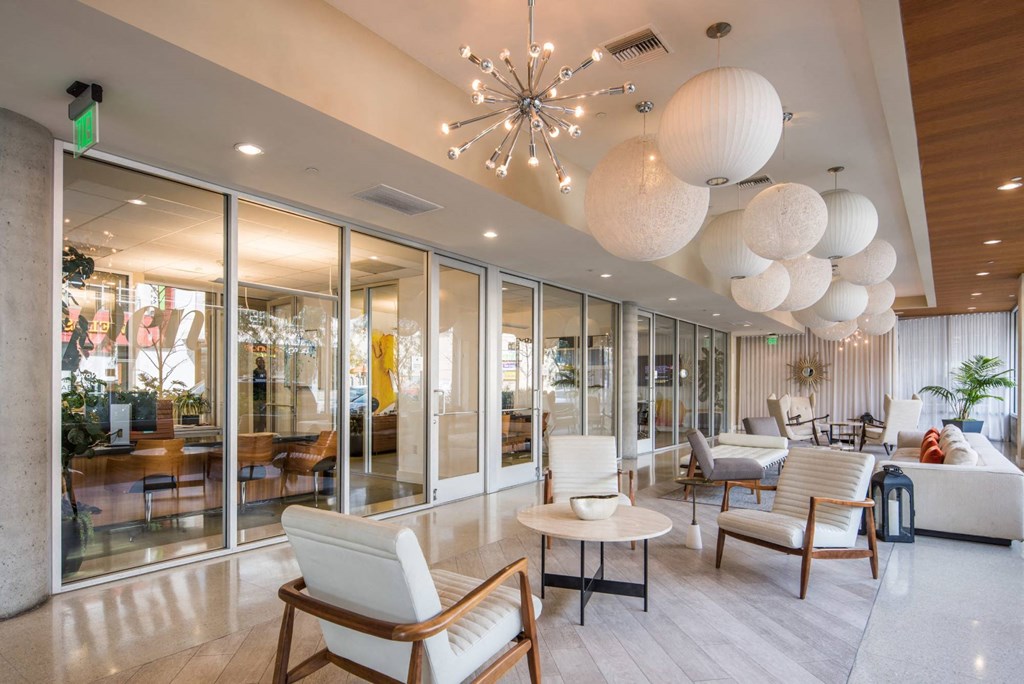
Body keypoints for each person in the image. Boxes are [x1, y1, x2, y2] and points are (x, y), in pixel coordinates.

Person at [252, 356, 268, 432]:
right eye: (259, 362)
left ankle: (261, 430)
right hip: (257, 397)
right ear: (256, 363)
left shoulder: (265, 372)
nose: (261, 363)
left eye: (262, 361)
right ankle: (256, 430)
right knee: (257, 416)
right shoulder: (255, 372)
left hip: (264, 396)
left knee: (263, 416)